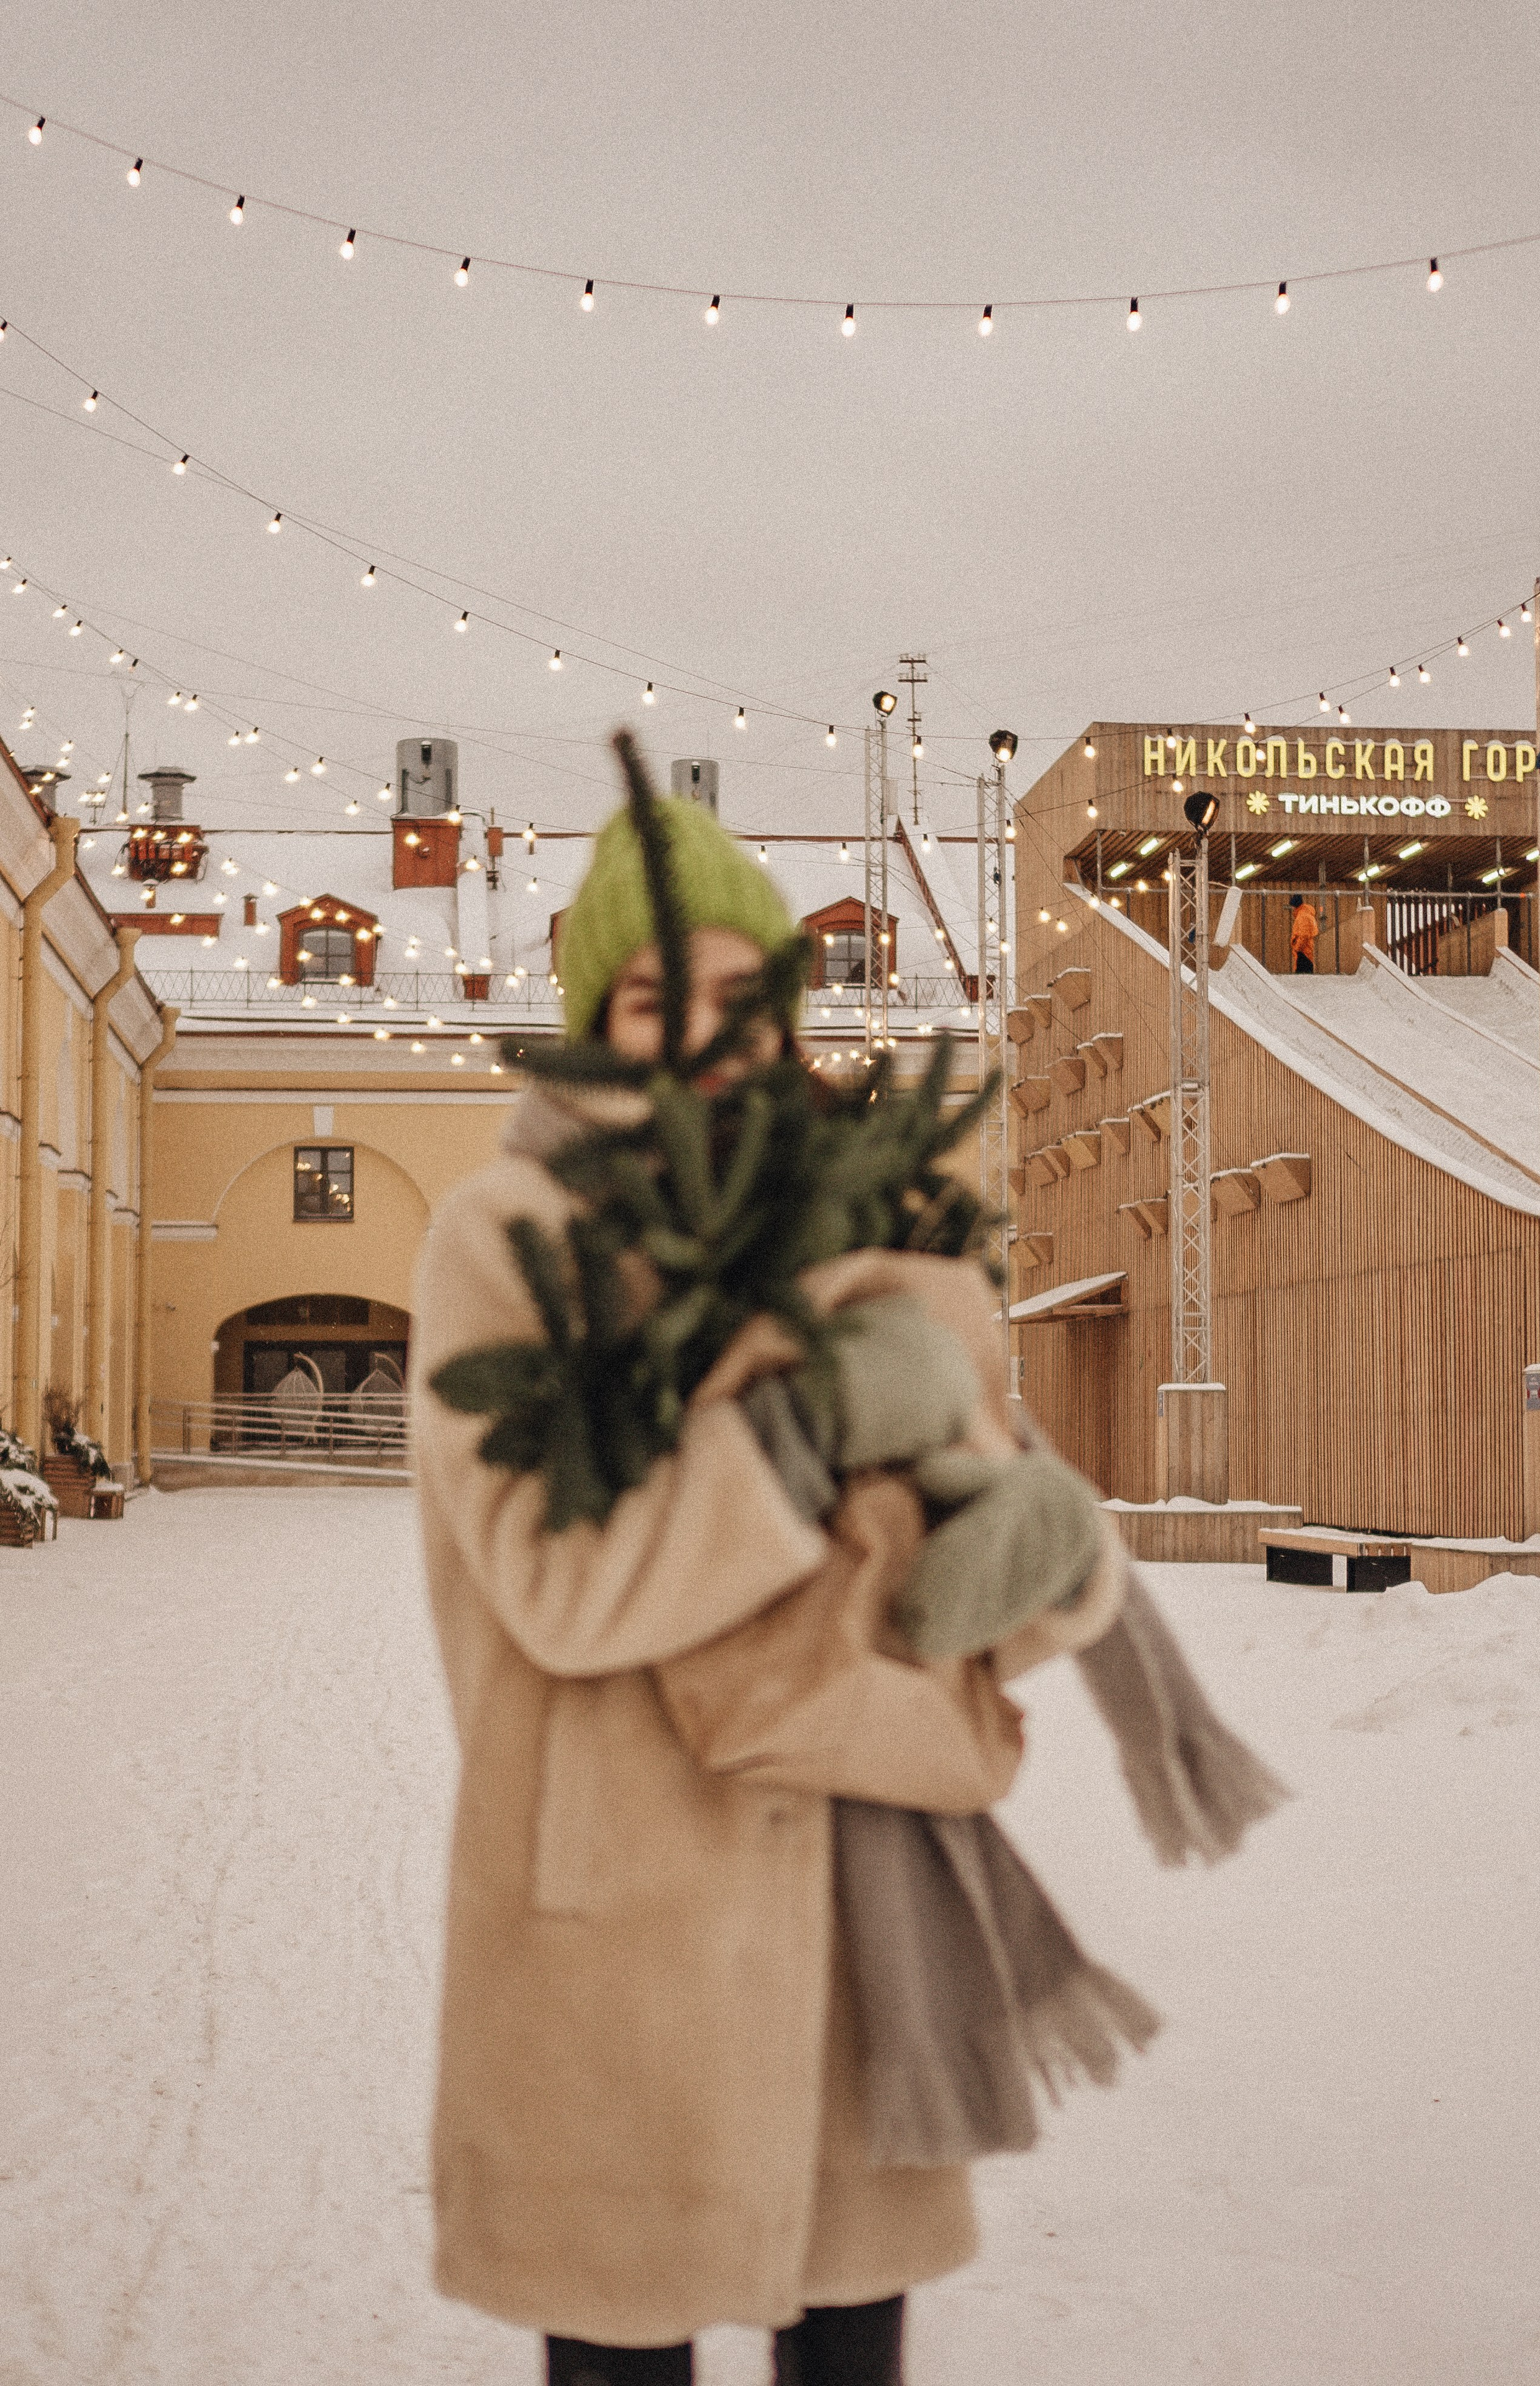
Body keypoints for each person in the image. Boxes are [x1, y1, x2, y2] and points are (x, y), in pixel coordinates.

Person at [409, 795, 1132, 2385]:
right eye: (658, 997)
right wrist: (799, 1426)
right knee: (620, 2350)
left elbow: (955, 1570)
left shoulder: (867, 1237)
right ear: (603, 1018)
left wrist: (1038, 1547)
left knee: (848, 2350)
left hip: (848, 1919)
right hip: (612, 1930)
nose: (704, 1034)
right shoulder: (505, 1240)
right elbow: (563, 1590)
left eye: (740, 995)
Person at [1290, 891, 1319, 974]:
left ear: (1295, 905)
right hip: (1306, 951)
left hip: (1303, 952)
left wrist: (1297, 948)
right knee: (1307, 975)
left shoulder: (1302, 916)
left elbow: (1304, 935)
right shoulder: (1305, 913)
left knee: (1302, 977)